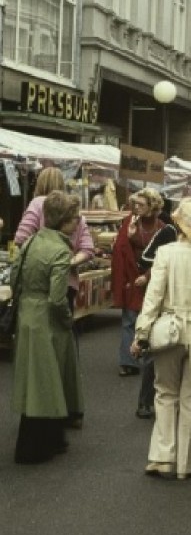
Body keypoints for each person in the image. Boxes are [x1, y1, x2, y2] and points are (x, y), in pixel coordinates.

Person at [130, 198, 191, 480]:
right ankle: (186, 463)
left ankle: (162, 458)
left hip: (169, 331)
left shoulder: (166, 254)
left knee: (165, 393)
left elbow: (153, 297)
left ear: (177, 223)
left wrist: (142, 333)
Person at [14, 166, 94, 429]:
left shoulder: (38, 207)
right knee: (63, 348)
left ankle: (46, 407)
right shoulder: (66, 211)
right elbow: (88, 248)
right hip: (63, 284)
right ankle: (65, 409)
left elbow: (20, 240)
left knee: (43, 354)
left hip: (39, 289)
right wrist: (67, 261)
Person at [12, 191, 84, 464]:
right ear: (64, 221)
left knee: (34, 380)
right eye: (75, 218)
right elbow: (57, 298)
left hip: (27, 314)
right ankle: (39, 446)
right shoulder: (60, 251)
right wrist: (67, 319)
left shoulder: (30, 242)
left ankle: (45, 441)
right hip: (47, 320)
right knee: (48, 380)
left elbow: (15, 276)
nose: (78, 223)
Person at [111, 188, 165, 376]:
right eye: (135, 204)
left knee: (151, 320)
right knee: (129, 319)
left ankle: (150, 360)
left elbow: (164, 257)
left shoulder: (162, 228)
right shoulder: (129, 222)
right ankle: (128, 361)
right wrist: (130, 236)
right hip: (132, 278)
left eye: (141, 204)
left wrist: (148, 276)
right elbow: (120, 249)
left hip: (153, 279)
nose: (136, 207)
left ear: (152, 206)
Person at [134, 217, 180, 419]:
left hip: (184, 305)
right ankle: (145, 402)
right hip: (165, 302)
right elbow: (144, 258)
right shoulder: (169, 232)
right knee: (154, 352)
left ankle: (171, 402)